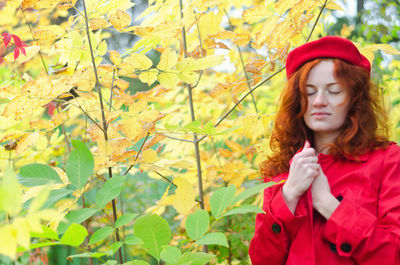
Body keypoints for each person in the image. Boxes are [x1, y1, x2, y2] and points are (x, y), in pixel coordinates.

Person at [249, 36, 400, 265]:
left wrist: (328, 205)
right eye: (309, 92)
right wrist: (289, 195)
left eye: (334, 91)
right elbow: (262, 260)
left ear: (354, 98)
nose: (319, 101)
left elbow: (393, 255)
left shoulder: (387, 160)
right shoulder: (282, 169)